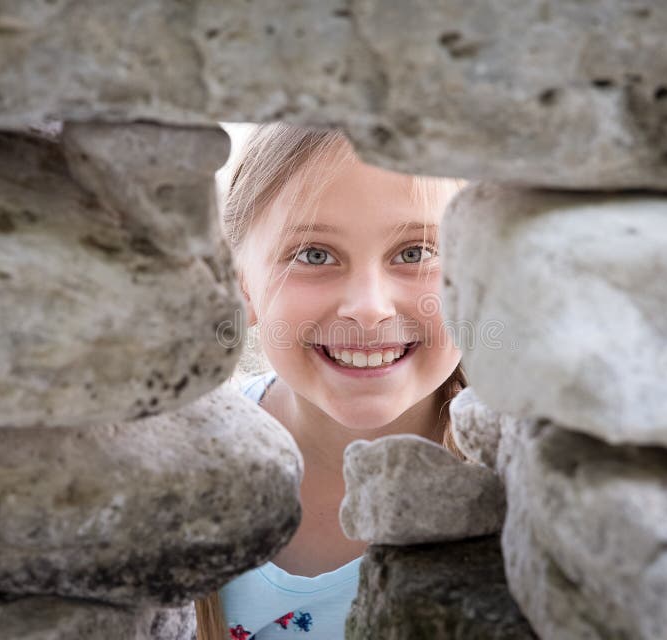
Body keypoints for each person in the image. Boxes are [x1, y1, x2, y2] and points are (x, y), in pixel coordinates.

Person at [194, 123, 468, 640]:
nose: (368, 308)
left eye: (416, 252)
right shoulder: (175, 471)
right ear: (239, 283)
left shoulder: (527, 492)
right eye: (313, 255)